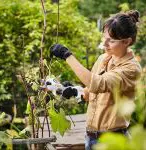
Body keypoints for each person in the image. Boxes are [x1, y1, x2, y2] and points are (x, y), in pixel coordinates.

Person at [49, 10, 142, 150]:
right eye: (104, 37)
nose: (105, 44)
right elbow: (92, 91)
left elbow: (98, 83)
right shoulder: (103, 59)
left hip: (112, 141)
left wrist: (67, 55)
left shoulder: (131, 69)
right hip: (91, 139)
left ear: (127, 41)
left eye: (111, 40)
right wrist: (76, 91)